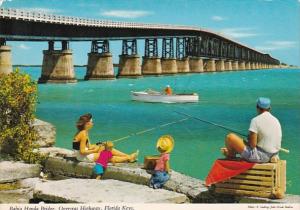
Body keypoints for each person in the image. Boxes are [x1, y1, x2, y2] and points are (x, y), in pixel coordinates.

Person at [221, 97, 282, 163]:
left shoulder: (255, 120)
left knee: (230, 137)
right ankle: (232, 151)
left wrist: (250, 139)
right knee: (241, 143)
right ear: (269, 108)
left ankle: (231, 155)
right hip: (274, 154)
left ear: (257, 107)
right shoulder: (276, 120)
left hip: (261, 157)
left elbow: (252, 145)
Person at [72, 113, 139, 163]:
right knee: (107, 155)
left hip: (83, 154)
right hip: (83, 157)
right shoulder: (83, 133)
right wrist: (94, 151)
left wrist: (100, 144)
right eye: (92, 122)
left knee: (107, 148)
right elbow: (82, 151)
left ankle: (129, 156)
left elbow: (89, 146)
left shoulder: (84, 132)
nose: (93, 123)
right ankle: (128, 158)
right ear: (87, 124)